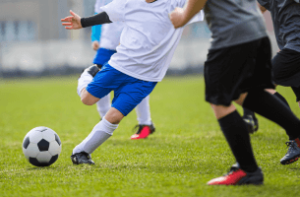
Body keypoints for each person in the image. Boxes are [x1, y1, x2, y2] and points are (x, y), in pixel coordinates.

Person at [169, 0, 300, 185]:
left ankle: (248, 170)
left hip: (232, 36)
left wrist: (182, 17)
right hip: (255, 31)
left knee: (219, 100)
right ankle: (297, 131)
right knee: (245, 93)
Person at [61, 0, 203, 165]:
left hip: (147, 78)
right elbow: (108, 15)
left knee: (114, 117)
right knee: (87, 99)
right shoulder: (128, 2)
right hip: (119, 65)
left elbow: (199, 5)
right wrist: (83, 22)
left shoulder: (175, 2)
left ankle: (81, 152)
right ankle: (87, 75)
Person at [90, 0, 155, 140]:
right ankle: (104, 119)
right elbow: (98, 15)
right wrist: (95, 37)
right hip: (107, 46)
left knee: (138, 82)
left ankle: (145, 123)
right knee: (97, 81)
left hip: (131, 45)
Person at [257, 0, 300, 107]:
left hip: (295, 48)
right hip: (291, 47)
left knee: (259, 83)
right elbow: (258, 9)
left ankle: (248, 118)